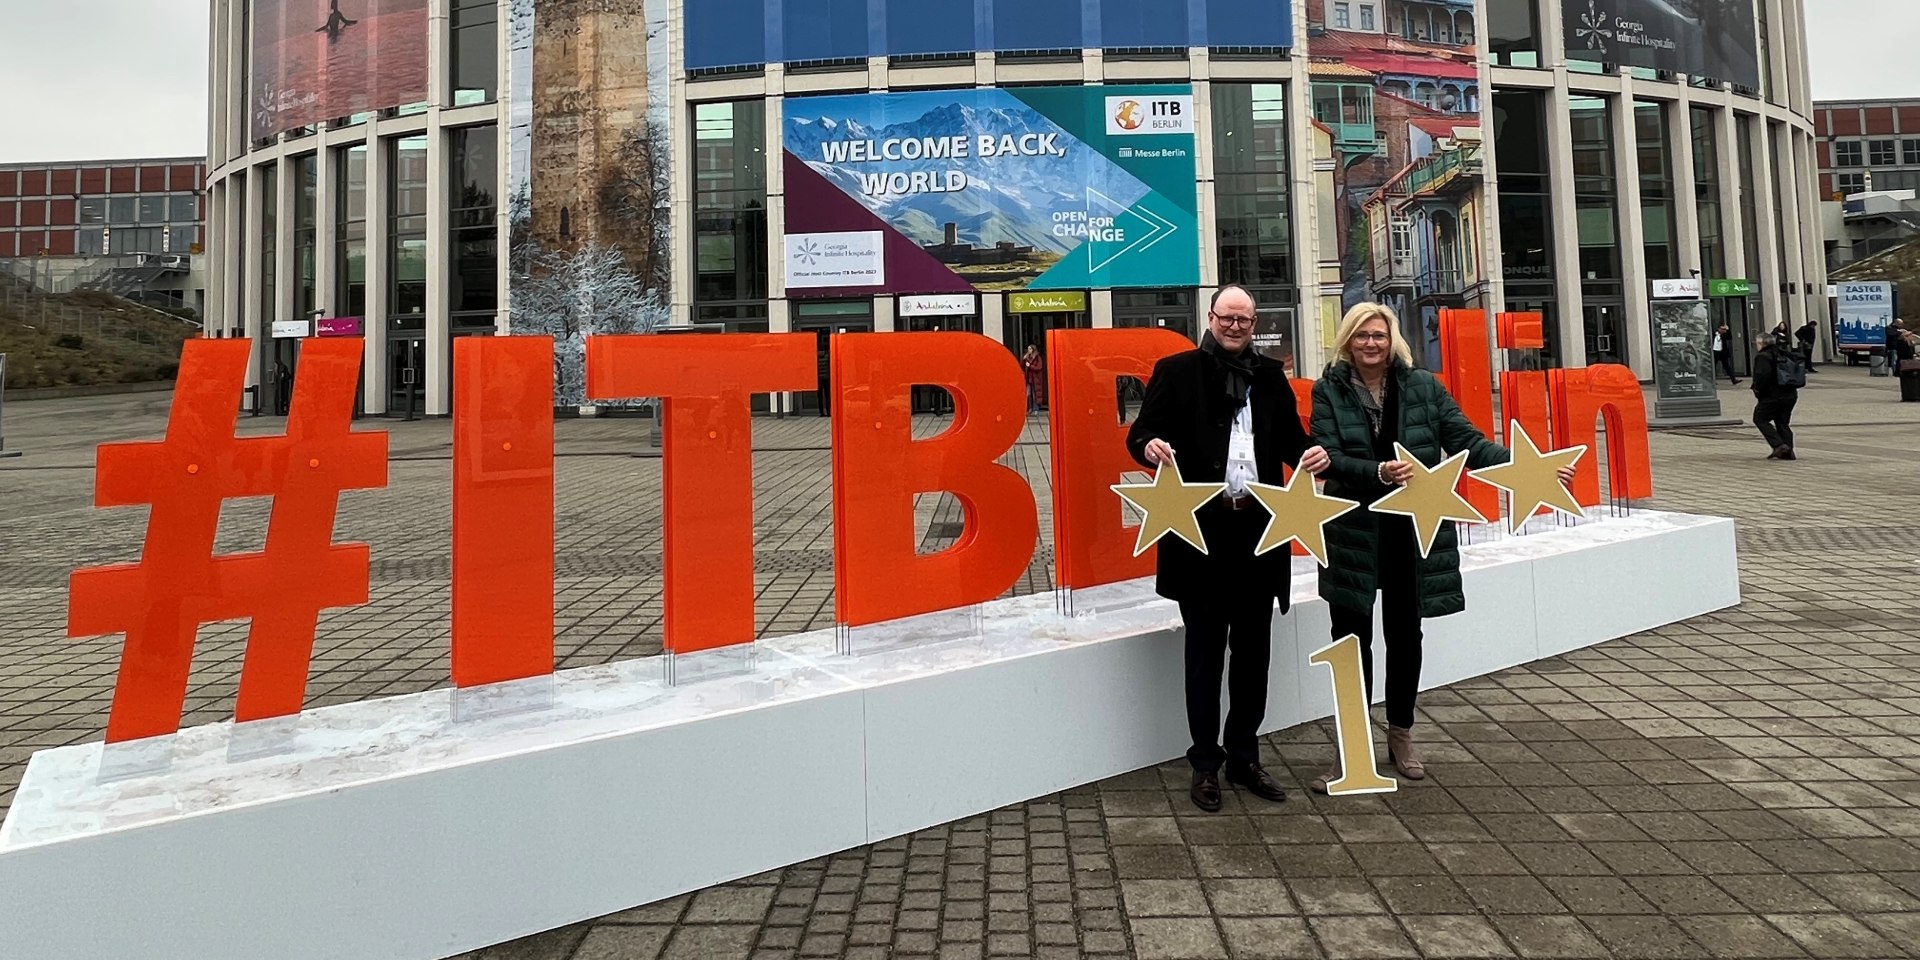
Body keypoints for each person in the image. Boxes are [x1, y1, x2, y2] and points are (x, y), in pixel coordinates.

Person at [1307, 302, 1574, 790]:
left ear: (1393, 341)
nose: (1371, 344)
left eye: (1379, 336)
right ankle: (1353, 742)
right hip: (1352, 533)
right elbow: (1327, 457)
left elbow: (1467, 441)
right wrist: (1377, 472)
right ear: (1347, 341)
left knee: (1406, 638)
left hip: (1413, 531)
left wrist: (1526, 468)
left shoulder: (1424, 387)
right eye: (1362, 336)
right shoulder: (1328, 389)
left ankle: (1401, 733)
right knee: (1350, 642)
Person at [1128, 285, 1332, 812]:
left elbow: (1289, 437)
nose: (1235, 326)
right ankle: (1204, 764)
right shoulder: (1176, 371)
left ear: (1253, 322)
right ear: (1211, 317)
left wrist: (1312, 453)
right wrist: (1149, 445)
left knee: (1253, 656)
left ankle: (1244, 756)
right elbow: (1141, 431)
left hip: (1258, 537)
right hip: (1200, 537)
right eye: (1227, 317)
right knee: (1203, 656)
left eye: (1244, 319)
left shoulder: (1269, 376)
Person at [1751, 333, 1800, 460]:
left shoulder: (1763, 356)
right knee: (1782, 422)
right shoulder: (1783, 353)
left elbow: (1762, 376)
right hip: (1790, 394)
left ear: (1762, 343)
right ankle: (1788, 451)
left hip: (1772, 395)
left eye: (1756, 343)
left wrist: (1757, 390)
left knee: (1760, 418)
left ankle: (1779, 445)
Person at [1020, 344, 1045, 414]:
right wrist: (1023, 359)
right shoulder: (1027, 357)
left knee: (1035, 394)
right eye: (1028, 349)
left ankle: (1035, 408)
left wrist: (1030, 366)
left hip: (1035, 379)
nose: (1028, 350)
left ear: (1033, 350)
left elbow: (1039, 367)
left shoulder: (1037, 358)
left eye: (1030, 349)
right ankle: (1029, 408)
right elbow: (1022, 366)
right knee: (1028, 394)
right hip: (1028, 378)